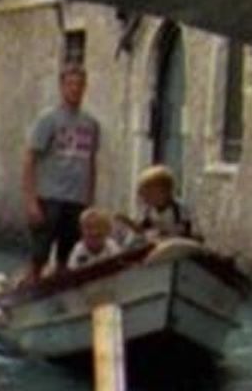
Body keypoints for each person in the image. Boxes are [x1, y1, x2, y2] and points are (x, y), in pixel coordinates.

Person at [22, 64, 101, 282]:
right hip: (49, 198)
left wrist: (90, 202)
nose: (75, 89)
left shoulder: (91, 124)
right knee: (39, 256)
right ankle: (29, 295)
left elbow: (91, 163)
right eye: (70, 84)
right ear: (62, 87)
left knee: (68, 258)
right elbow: (29, 160)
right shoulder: (48, 120)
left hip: (76, 200)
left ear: (85, 88)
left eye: (79, 85)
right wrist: (30, 201)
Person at [117, 164, 197, 243]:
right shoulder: (149, 211)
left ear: (164, 192)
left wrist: (163, 234)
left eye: (148, 194)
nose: (144, 199)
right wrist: (129, 223)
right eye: (143, 195)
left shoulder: (179, 209)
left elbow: (184, 232)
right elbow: (142, 231)